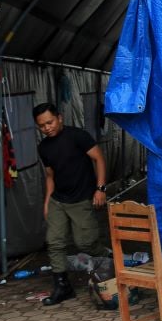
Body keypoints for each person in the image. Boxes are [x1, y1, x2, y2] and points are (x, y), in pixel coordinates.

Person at [34, 102, 108, 306]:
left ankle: (109, 260)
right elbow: (50, 176)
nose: (47, 128)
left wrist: (100, 189)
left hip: (82, 198)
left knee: (85, 242)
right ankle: (62, 286)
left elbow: (99, 159)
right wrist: (47, 201)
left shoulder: (78, 136)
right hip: (59, 199)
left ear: (60, 118)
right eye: (42, 126)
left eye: (50, 122)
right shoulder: (44, 147)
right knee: (54, 241)